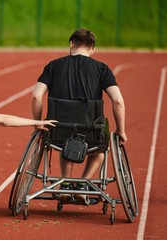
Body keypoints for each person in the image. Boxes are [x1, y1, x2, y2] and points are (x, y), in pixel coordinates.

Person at [31, 28, 127, 205]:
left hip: (57, 131)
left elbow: (36, 95)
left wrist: (38, 123)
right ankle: (84, 185)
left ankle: (66, 183)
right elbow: (118, 101)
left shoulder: (53, 65)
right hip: (91, 132)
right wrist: (121, 131)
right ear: (93, 49)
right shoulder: (101, 69)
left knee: (65, 137)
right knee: (101, 147)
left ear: (71, 44)